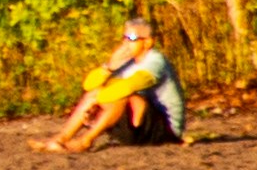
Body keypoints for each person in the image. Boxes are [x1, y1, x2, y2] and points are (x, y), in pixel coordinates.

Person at [45, 15, 187, 152]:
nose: (125, 43)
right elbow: (89, 86)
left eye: (131, 38)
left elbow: (128, 87)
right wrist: (109, 66)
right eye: (124, 38)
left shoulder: (155, 61)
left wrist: (96, 104)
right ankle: (61, 139)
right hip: (137, 127)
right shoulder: (127, 63)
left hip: (165, 131)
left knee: (121, 95)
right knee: (100, 91)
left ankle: (85, 141)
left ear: (147, 42)